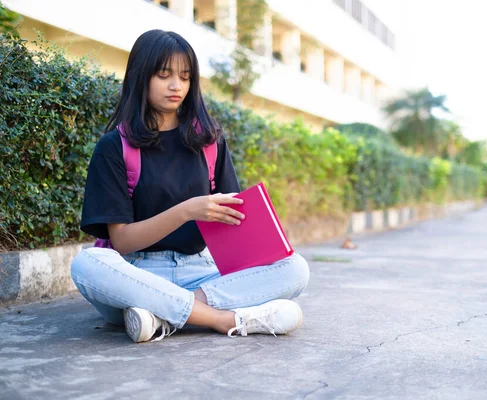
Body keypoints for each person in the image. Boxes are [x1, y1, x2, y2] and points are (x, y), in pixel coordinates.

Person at [70, 29, 310, 343]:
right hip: (137, 275)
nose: (176, 86)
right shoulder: (115, 147)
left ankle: (160, 317)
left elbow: (233, 223)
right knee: (87, 263)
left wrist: (261, 241)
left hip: (199, 273)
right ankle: (221, 318)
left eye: (185, 77)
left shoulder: (209, 143)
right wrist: (187, 211)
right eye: (163, 74)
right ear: (141, 76)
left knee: (295, 268)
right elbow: (123, 242)